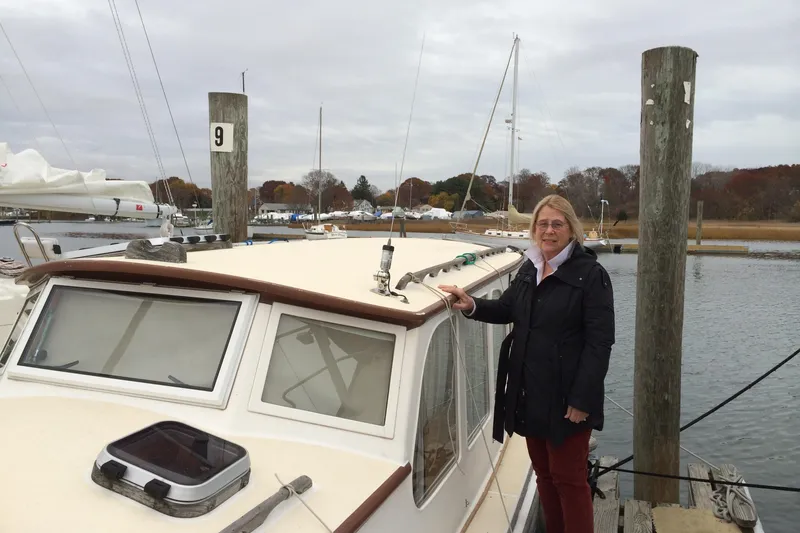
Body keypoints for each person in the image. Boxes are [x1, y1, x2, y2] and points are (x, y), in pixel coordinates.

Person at [439, 194, 614, 533]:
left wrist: (582, 401)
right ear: (534, 229)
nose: (549, 231)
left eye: (557, 224)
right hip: (529, 392)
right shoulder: (528, 267)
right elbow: (507, 309)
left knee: (570, 479)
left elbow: (599, 343)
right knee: (544, 475)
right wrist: (471, 304)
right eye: (543, 224)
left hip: (567, 399)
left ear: (571, 229)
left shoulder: (591, 275)